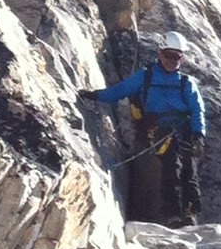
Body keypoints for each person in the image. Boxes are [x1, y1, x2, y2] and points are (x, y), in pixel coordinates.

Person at [78, 32, 206, 228]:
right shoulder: (145, 76)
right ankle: (172, 214)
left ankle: (190, 213)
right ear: (160, 53)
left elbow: (197, 109)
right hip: (158, 129)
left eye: (177, 57)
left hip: (183, 129)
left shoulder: (186, 82)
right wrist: (95, 96)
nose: (172, 61)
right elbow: (120, 91)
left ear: (182, 58)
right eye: (169, 55)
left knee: (189, 170)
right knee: (171, 168)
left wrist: (199, 135)